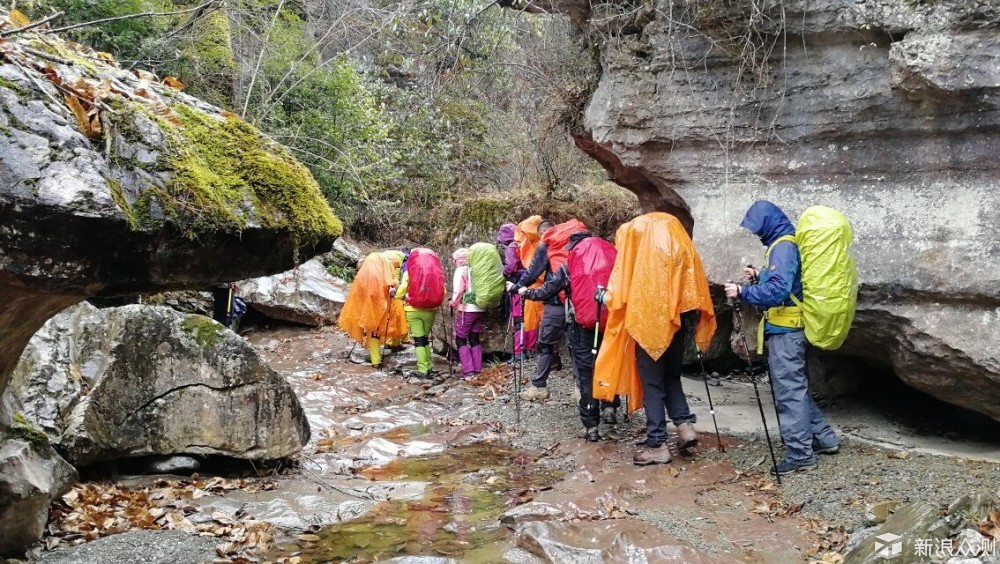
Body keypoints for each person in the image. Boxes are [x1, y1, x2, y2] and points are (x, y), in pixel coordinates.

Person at [724, 200, 840, 475]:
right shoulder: (785, 243)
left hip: (787, 333)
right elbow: (787, 283)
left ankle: (800, 455)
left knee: (788, 393)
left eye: (757, 228)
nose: (756, 233)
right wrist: (759, 274)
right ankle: (824, 439)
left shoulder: (784, 247)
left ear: (769, 223)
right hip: (791, 330)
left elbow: (778, 292)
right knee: (794, 389)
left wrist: (742, 292)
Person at [593, 212, 717, 466]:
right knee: (671, 377)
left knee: (652, 385)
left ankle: (657, 444)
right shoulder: (678, 248)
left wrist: (604, 297)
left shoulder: (639, 257)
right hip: (677, 324)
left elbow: (620, 294)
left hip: (647, 326)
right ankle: (684, 427)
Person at [517, 228, 619, 441]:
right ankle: (610, 407)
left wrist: (527, 292)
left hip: (582, 326)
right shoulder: (614, 258)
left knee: (586, 372)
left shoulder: (570, 263)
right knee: (608, 364)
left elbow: (549, 290)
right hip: (612, 325)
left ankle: (591, 427)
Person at [509, 219, 563, 401]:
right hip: (578, 304)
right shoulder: (572, 244)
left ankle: (539, 387)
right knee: (578, 349)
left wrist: (517, 287)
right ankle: (584, 394)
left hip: (555, 303)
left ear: (542, 233)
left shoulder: (545, 245)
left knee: (545, 345)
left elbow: (533, 272)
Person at [337, 252, 408, 369]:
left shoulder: (364, 272)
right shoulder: (385, 267)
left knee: (374, 331)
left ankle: (375, 361)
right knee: (389, 325)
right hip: (382, 305)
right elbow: (392, 284)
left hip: (369, 308)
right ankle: (393, 346)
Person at [394, 248, 446, 379]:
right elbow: (443, 291)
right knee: (425, 339)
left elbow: (402, 289)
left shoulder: (409, 272)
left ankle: (422, 369)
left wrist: (396, 297)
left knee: (418, 340)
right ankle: (429, 367)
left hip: (413, 309)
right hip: (431, 310)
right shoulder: (437, 272)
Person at [449, 248, 484, 379]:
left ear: (458, 260)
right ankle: (478, 369)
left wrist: (453, 303)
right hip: (480, 308)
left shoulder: (461, 270)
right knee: (474, 338)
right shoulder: (476, 268)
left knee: (461, 339)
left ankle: (468, 371)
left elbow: (458, 290)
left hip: (467, 310)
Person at [497, 223, 529, 363]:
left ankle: (518, 352)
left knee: (518, 319)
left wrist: (503, 274)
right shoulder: (525, 243)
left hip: (516, 284)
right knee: (526, 317)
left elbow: (509, 267)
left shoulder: (512, 247)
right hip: (529, 282)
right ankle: (527, 348)